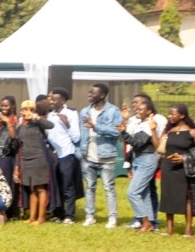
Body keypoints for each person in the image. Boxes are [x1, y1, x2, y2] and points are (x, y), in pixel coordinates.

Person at [156, 104, 195, 238]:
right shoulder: (168, 131)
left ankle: (188, 229)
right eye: (169, 113)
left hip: (184, 168)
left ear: (182, 115)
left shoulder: (192, 132)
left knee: (187, 198)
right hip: (168, 167)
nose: (169, 116)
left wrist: (184, 158)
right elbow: (160, 149)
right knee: (168, 196)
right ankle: (169, 228)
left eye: (173, 114)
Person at [78, 84, 123, 228]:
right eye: (89, 91)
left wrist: (96, 127)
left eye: (93, 92)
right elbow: (81, 134)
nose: (89, 94)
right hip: (88, 155)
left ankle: (112, 218)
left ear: (102, 95)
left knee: (108, 187)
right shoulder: (85, 111)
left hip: (106, 155)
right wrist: (80, 152)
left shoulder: (113, 111)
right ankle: (90, 216)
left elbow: (117, 132)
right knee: (89, 187)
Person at [122, 94, 165, 232]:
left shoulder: (150, 124)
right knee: (144, 193)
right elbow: (128, 140)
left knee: (133, 192)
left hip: (147, 158)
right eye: (136, 108)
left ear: (149, 111)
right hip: (137, 158)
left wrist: (123, 133)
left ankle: (146, 222)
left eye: (141, 109)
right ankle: (149, 223)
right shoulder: (137, 122)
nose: (137, 111)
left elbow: (138, 142)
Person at [13, 99, 54, 226]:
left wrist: (36, 117)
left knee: (41, 188)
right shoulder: (20, 128)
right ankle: (32, 217)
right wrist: (17, 168)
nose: (28, 112)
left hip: (39, 158)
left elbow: (51, 125)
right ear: (21, 112)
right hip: (26, 160)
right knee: (32, 189)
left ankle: (41, 218)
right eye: (25, 110)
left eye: (31, 109)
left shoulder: (38, 123)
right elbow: (19, 148)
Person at [45, 88, 83, 224]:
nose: (51, 101)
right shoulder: (50, 115)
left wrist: (66, 123)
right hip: (53, 154)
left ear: (63, 100)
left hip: (67, 153)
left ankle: (69, 215)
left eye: (54, 99)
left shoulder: (71, 113)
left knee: (68, 185)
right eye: (50, 99)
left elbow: (77, 136)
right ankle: (58, 213)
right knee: (57, 184)